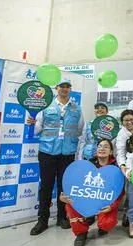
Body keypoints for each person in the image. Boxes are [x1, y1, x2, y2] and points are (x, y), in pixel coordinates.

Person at [27, 79, 84, 235]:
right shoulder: (45, 107)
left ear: (70, 89)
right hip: (47, 152)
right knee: (46, 186)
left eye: (67, 87)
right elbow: (37, 129)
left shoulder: (77, 109)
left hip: (67, 153)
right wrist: (31, 123)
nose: (64, 89)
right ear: (56, 88)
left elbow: (79, 130)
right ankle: (42, 220)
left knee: (63, 186)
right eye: (62, 86)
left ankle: (62, 217)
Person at [60, 139, 124, 246]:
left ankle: (101, 225)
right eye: (100, 146)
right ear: (96, 150)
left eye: (106, 146)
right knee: (70, 205)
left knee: (106, 224)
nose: (102, 148)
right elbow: (74, 185)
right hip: (86, 200)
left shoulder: (116, 169)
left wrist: (112, 206)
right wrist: (64, 196)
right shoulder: (86, 166)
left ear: (111, 152)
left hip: (104, 204)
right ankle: (81, 233)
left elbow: (120, 193)